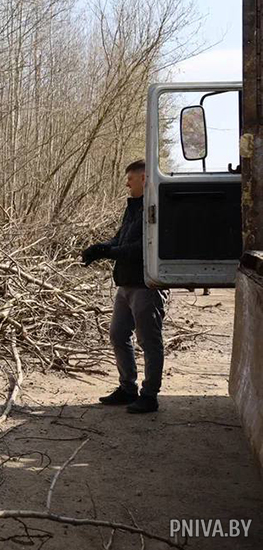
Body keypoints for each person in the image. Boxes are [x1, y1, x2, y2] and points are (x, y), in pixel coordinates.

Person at [81, 159, 167, 414]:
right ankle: (127, 388)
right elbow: (121, 239)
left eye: (130, 179)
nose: (126, 184)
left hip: (147, 284)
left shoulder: (155, 207)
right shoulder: (132, 208)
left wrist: (110, 252)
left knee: (149, 341)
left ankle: (149, 395)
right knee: (118, 334)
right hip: (126, 284)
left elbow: (143, 247)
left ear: (143, 178)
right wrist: (103, 247)